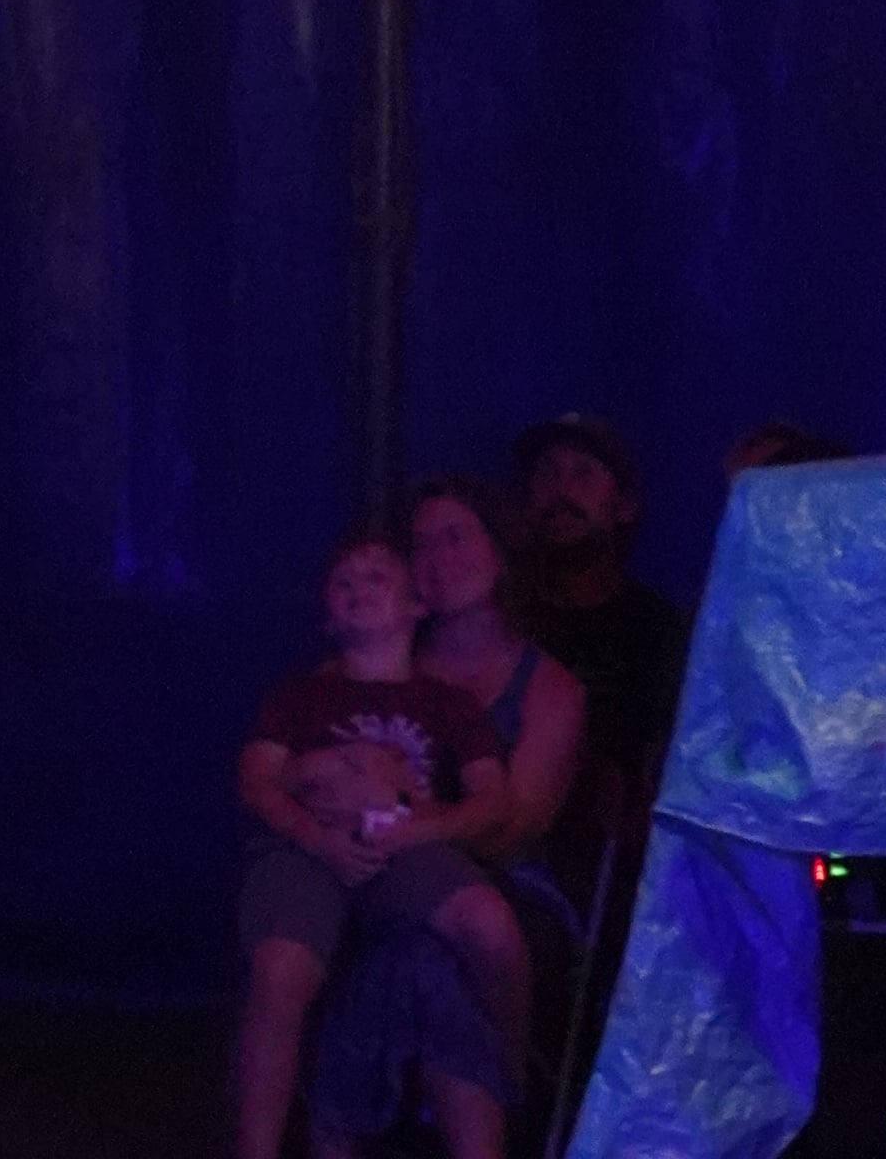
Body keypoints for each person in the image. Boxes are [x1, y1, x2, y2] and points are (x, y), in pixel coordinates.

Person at [307, 472, 588, 1137]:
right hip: (376, 870)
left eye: (457, 538)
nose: (437, 558)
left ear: (501, 550)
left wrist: (402, 813)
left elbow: (515, 830)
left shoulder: (548, 689)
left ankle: (471, 1109)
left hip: (508, 886)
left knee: (427, 957)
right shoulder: (370, 663)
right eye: (423, 543)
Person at [231, 528, 521, 1159]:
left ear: (416, 605)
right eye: (344, 582)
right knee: (280, 967)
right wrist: (315, 833)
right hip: (307, 850)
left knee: (489, 924)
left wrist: (423, 829)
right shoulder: (302, 695)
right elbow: (258, 778)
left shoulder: (444, 703)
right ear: (327, 615)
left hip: (405, 845)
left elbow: (493, 797)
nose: (359, 588)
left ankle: (513, 1076)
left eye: (377, 576)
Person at [510, 409, 688, 846]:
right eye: (547, 474)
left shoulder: (656, 628)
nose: (562, 491)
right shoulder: (498, 616)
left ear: (623, 506)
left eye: (583, 475)